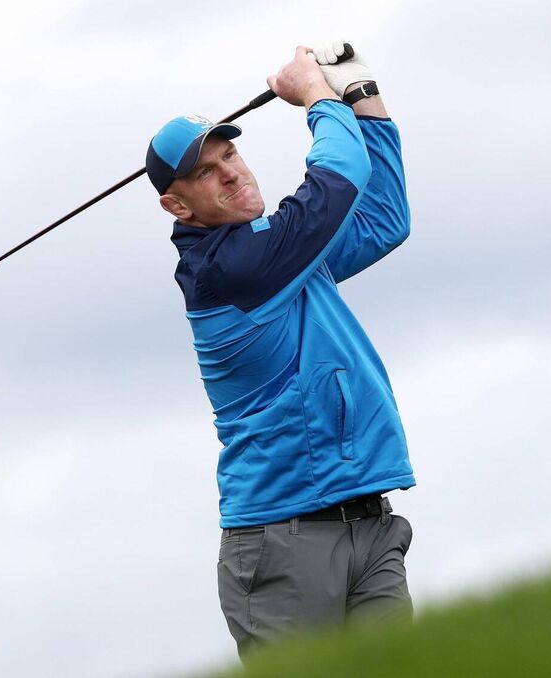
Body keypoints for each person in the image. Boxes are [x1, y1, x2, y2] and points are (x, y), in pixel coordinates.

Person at [144, 42, 416, 660]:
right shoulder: (229, 269)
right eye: (207, 171)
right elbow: (334, 184)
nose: (233, 171)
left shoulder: (284, 257)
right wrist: (318, 99)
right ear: (177, 204)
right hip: (280, 542)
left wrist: (361, 95)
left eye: (231, 153)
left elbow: (381, 219)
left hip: (369, 523)